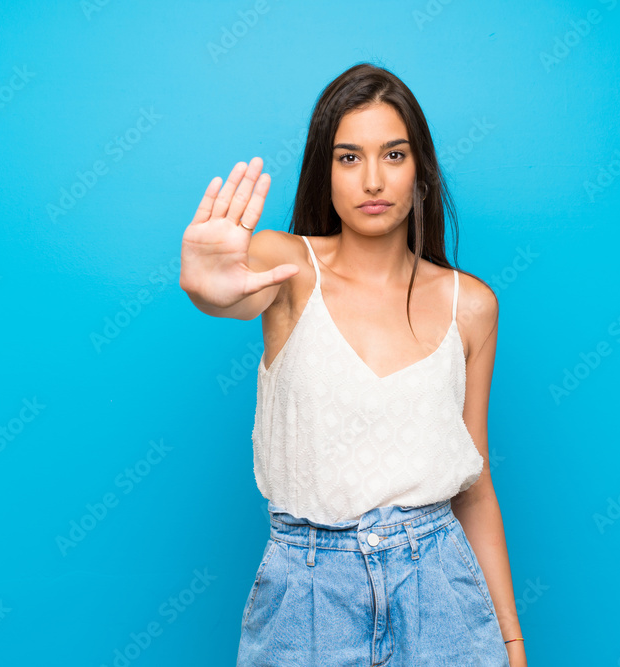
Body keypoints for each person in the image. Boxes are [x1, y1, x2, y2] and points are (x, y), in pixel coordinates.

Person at [179, 62, 526, 666]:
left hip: (442, 595)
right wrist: (206, 288)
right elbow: (230, 294)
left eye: (393, 155)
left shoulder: (470, 306)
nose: (372, 179)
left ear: (420, 170)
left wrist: (512, 643)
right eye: (348, 158)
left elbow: (475, 489)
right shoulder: (286, 267)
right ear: (326, 171)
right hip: (307, 600)